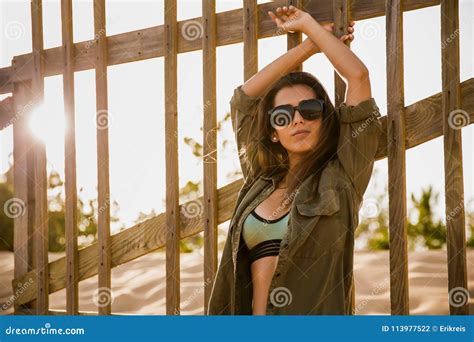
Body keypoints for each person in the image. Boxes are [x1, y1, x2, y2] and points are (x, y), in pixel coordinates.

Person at [207, 5, 383, 315]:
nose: (297, 120)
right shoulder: (258, 180)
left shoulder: (342, 177)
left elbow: (358, 76)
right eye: (283, 116)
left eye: (310, 110)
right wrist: (309, 46)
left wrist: (309, 24)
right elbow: (244, 99)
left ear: (325, 118)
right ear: (273, 132)